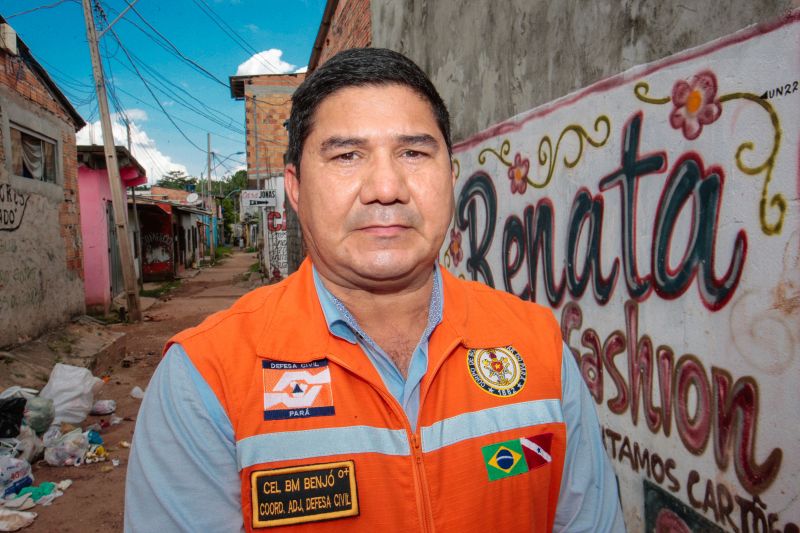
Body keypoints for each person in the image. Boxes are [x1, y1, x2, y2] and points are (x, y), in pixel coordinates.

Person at [125, 48, 625, 532]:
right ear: (295, 188)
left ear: (450, 178)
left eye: (412, 152)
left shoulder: (538, 349)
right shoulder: (206, 379)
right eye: (346, 155)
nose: (386, 186)